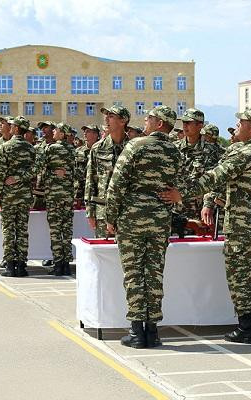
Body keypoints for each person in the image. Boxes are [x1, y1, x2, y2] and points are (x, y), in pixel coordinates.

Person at [160, 108, 251, 344]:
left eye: (242, 122)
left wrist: (180, 193)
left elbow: (214, 177)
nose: (238, 125)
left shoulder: (243, 153)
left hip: (243, 228)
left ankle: (245, 329)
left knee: (241, 277)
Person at [105, 106, 182, 348]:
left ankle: (138, 331)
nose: (144, 122)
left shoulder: (135, 146)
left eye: (148, 118)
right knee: (154, 274)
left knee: (134, 274)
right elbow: (182, 186)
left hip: (132, 219)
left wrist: (110, 217)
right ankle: (153, 331)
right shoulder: (175, 151)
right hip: (160, 219)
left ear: (159, 124)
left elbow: (116, 186)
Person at [0, 117, 36, 277]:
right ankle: (22, 266)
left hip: (9, 196)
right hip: (24, 195)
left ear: (17, 129)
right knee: (22, 230)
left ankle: (10, 266)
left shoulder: (5, 147)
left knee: (9, 229)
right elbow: (35, 171)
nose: (10, 127)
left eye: (13, 125)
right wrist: (20, 178)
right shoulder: (31, 149)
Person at [85, 105, 130, 237]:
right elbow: (90, 180)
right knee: (103, 254)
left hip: (128, 212)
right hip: (102, 212)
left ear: (123, 121)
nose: (106, 120)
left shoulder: (134, 147)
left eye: (111, 116)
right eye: (106, 116)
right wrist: (90, 211)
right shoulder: (98, 148)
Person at [44, 122, 75, 276]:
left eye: (56, 130)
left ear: (62, 134)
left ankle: (58, 264)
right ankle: (67, 264)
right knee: (67, 229)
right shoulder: (73, 150)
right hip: (68, 195)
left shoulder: (50, 149)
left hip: (54, 196)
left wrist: (53, 174)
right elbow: (79, 173)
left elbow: (41, 171)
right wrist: (67, 174)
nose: (54, 131)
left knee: (56, 230)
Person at [74, 125, 100, 208]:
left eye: (88, 131)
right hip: (79, 191)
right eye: (84, 132)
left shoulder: (101, 150)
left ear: (96, 135)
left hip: (95, 191)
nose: (85, 133)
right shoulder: (78, 151)